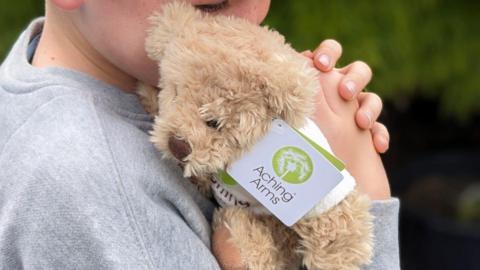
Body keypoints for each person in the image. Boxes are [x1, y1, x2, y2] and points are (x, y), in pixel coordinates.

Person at [0, 0, 399, 269]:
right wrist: (354, 185)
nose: (238, 28)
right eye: (211, 7)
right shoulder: (97, 187)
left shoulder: (44, 81)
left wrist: (309, 131)